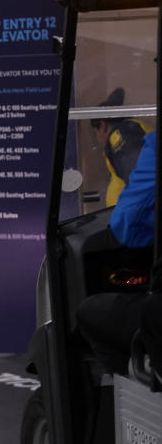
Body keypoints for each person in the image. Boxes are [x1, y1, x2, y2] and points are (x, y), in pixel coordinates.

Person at [76, 130, 158, 379]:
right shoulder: (134, 128)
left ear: (100, 127)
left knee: (89, 313)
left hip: (126, 232)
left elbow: (128, 226)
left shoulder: (124, 137)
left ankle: (145, 374)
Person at [90, 88, 149, 207]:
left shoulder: (120, 135)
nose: (97, 140)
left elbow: (141, 182)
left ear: (102, 125)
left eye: (95, 134)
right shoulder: (132, 130)